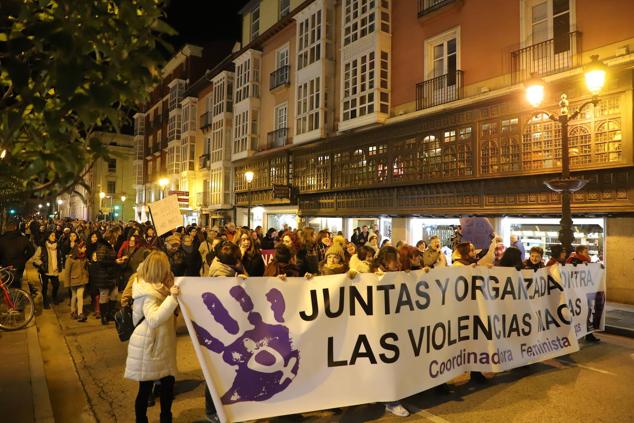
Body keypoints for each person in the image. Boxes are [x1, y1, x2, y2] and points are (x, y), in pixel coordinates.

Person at [124, 251, 180, 423]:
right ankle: (141, 420)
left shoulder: (159, 286)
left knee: (167, 385)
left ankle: (166, 417)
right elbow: (154, 319)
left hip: (161, 344)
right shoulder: (147, 291)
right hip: (149, 345)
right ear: (158, 269)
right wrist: (172, 298)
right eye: (165, 268)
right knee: (146, 388)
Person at [90, 231, 118, 325]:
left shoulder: (109, 246)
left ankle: (110, 314)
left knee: (114, 295)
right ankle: (104, 316)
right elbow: (101, 261)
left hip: (111, 275)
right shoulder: (102, 247)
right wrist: (115, 262)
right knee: (104, 296)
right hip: (104, 275)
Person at [0, 220, 35, 292]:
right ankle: (16, 298)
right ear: (16, 227)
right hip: (19, 265)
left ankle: (8, 298)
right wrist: (24, 259)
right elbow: (31, 250)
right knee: (16, 282)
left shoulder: (2, 239)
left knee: (6, 282)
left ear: (6, 228)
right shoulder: (23, 238)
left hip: (5, 264)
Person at [33, 231, 63, 308]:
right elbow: (35, 258)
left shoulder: (57, 247)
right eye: (52, 235)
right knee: (44, 287)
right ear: (48, 236)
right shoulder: (42, 247)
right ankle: (45, 301)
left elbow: (59, 257)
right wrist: (41, 264)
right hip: (45, 270)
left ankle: (54, 297)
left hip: (54, 270)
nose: (54, 237)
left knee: (56, 285)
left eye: (55, 235)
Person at [61, 241, 89, 321]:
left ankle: (80, 313)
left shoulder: (84, 257)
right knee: (74, 296)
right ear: (79, 249)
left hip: (82, 280)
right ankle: (73, 311)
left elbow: (86, 268)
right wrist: (67, 283)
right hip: (73, 280)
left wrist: (86, 275)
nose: (85, 249)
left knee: (80, 296)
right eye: (84, 247)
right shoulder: (70, 259)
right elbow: (67, 272)